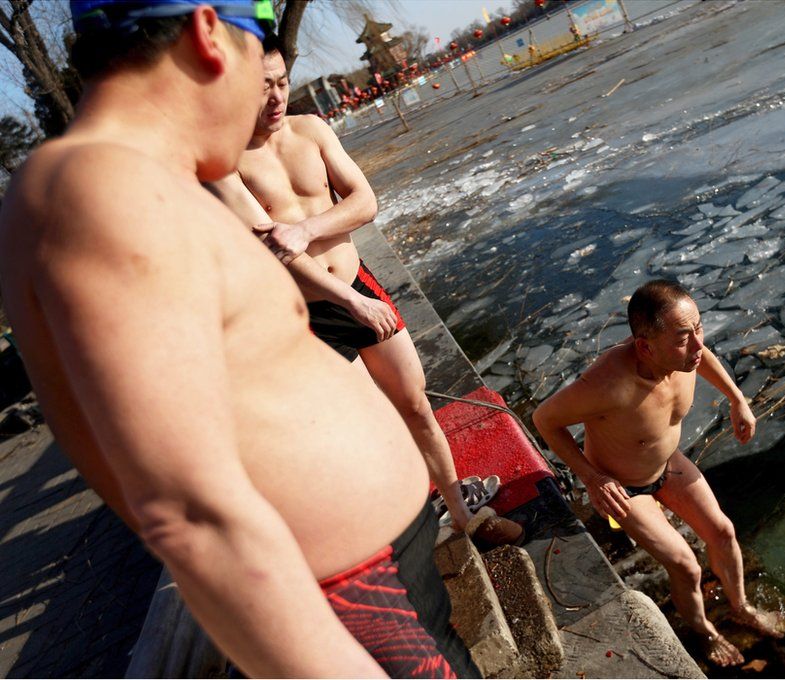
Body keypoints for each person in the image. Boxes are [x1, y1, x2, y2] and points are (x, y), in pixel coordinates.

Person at [0, 2, 479, 677]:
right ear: (208, 33)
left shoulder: (139, 180)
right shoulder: (98, 189)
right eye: (261, 60)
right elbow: (189, 516)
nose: (264, 92)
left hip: (370, 575)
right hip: (354, 594)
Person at [209, 39, 522, 546]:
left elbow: (366, 201)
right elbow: (273, 250)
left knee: (415, 404)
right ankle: (407, 528)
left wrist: (307, 231)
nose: (276, 96)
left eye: (282, 82)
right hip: (308, 314)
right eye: (262, 86)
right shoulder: (225, 163)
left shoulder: (311, 130)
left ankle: (464, 513)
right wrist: (347, 299)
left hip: (360, 284)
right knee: (372, 427)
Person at [532, 280, 785, 667]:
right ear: (646, 346)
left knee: (723, 532)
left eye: (698, 328)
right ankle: (704, 632)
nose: (698, 344)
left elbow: (707, 356)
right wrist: (591, 478)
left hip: (667, 464)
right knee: (685, 564)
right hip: (625, 488)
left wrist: (737, 399)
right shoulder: (608, 384)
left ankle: (741, 606)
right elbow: (544, 420)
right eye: (684, 337)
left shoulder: (687, 355)